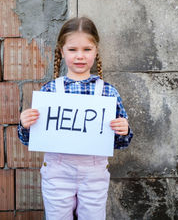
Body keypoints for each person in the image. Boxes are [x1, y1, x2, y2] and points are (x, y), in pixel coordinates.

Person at [18, 16, 133, 220]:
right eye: (73, 50)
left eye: (87, 50)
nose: (80, 56)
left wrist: (123, 129)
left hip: (94, 174)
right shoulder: (50, 91)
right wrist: (26, 125)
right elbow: (31, 139)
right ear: (62, 52)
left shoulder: (108, 92)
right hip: (57, 173)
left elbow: (119, 142)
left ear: (96, 51)